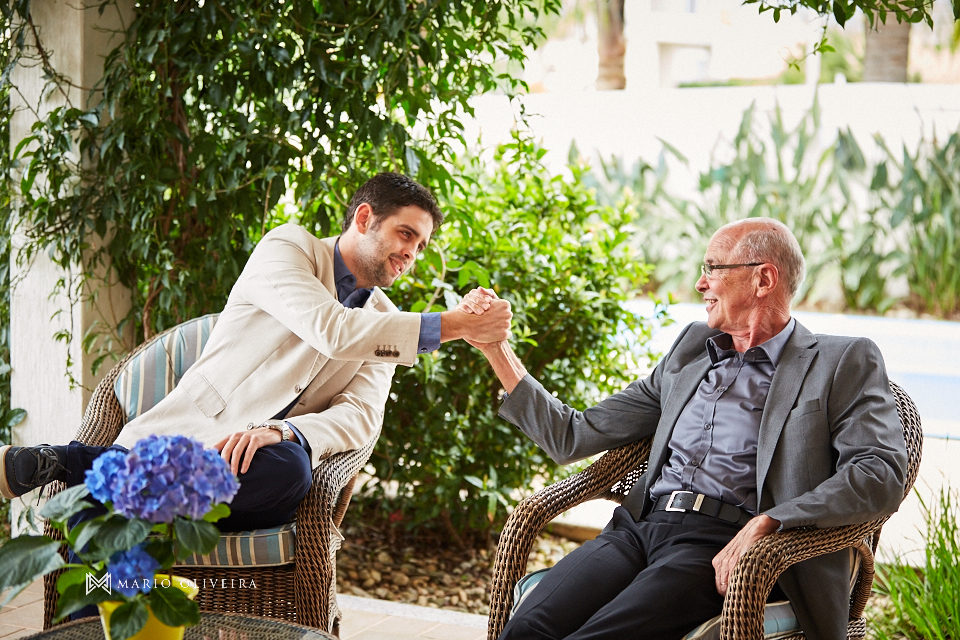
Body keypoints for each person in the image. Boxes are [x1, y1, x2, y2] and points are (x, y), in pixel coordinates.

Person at [465, 218, 906, 640]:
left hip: (721, 544)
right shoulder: (690, 352)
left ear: (763, 279)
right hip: (638, 528)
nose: (700, 283)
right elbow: (573, 434)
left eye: (712, 268)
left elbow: (880, 472)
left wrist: (771, 522)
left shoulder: (840, 361)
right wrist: (495, 349)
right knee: (527, 629)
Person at [1, 172, 512, 533]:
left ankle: (79, 466)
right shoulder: (286, 248)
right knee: (100, 551)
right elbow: (332, 330)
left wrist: (285, 430)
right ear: (364, 218)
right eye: (406, 234)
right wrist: (458, 325)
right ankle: (111, 491)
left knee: (288, 469)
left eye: (421, 246)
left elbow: (360, 418)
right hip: (192, 436)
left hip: (257, 467)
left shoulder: (387, 316)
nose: (412, 254)